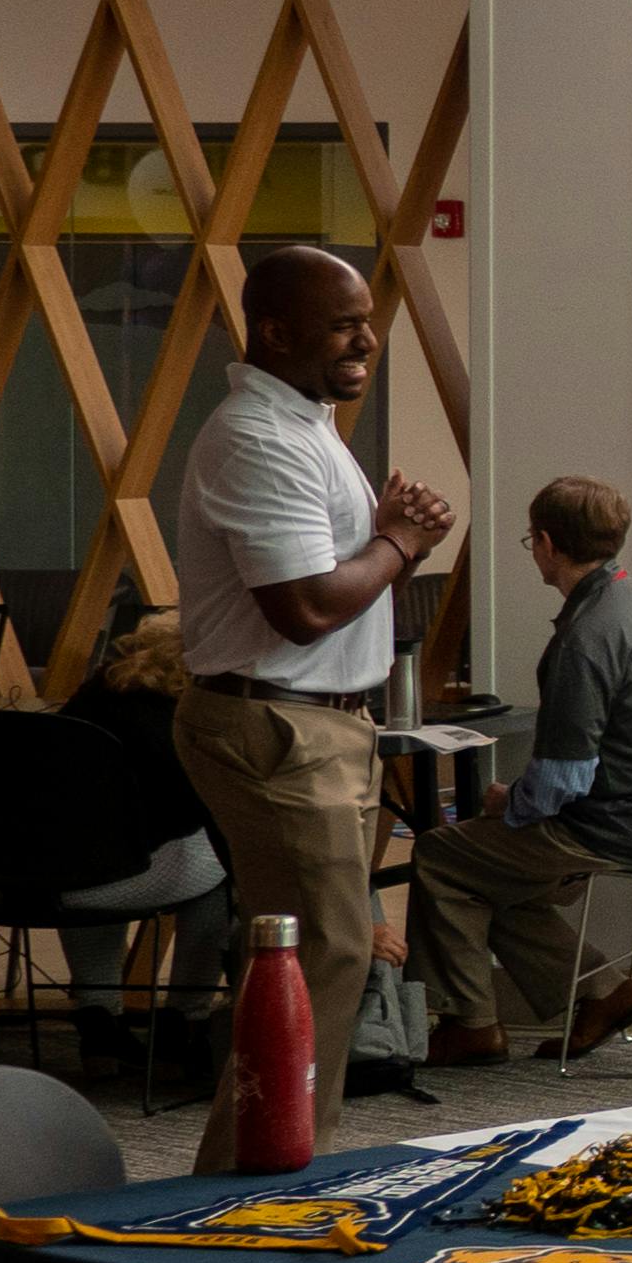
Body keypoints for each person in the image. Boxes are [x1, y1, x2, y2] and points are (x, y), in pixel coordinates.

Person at [173, 245, 450, 1169]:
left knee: (324, 955)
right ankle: (249, 1180)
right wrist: (400, 543)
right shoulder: (258, 436)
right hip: (279, 722)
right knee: (324, 953)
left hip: (323, 726)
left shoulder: (305, 421)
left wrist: (381, 533)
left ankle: (274, 1167)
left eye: (366, 318)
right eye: (344, 323)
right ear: (278, 331)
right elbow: (304, 608)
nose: (367, 337)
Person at [410, 477, 632, 1067]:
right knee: (489, 877)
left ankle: (472, 1024)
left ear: (545, 544)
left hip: (606, 825)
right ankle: (600, 992)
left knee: (440, 857)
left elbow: (564, 780)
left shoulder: (584, 637)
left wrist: (507, 802)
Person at [56, 600, 227, 1086]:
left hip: (17, 883)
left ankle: (99, 1025)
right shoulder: (177, 724)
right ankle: (183, 1023)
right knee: (222, 860)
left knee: (87, 850)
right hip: (108, 882)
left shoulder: (86, 701)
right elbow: (206, 810)